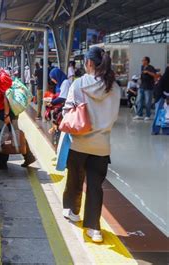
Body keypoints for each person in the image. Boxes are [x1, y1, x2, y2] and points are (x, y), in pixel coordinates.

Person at [62, 46, 120, 243]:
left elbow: (67, 111)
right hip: (102, 145)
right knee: (96, 186)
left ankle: (72, 211)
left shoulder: (79, 84)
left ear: (89, 63)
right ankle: (94, 228)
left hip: (80, 143)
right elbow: (114, 117)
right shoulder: (115, 87)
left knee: (75, 179)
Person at [0, 57, 36, 169]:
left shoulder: (2, 78)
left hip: (8, 111)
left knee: (7, 134)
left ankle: (6, 161)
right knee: (8, 134)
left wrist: (6, 115)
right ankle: (27, 156)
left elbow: (7, 97)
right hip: (4, 111)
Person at [47, 68, 71, 136]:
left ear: (56, 76)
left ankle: (57, 132)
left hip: (66, 106)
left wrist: (52, 102)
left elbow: (63, 98)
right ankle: (56, 130)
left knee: (57, 114)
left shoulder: (65, 83)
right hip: (63, 105)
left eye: (52, 78)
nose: (52, 80)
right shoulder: (60, 83)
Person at [133, 56, 157, 121]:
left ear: (146, 61)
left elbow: (155, 75)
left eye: (143, 60)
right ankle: (139, 114)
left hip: (148, 88)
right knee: (139, 101)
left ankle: (148, 115)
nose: (142, 61)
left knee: (147, 102)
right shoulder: (142, 67)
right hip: (142, 86)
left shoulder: (151, 67)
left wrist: (148, 72)